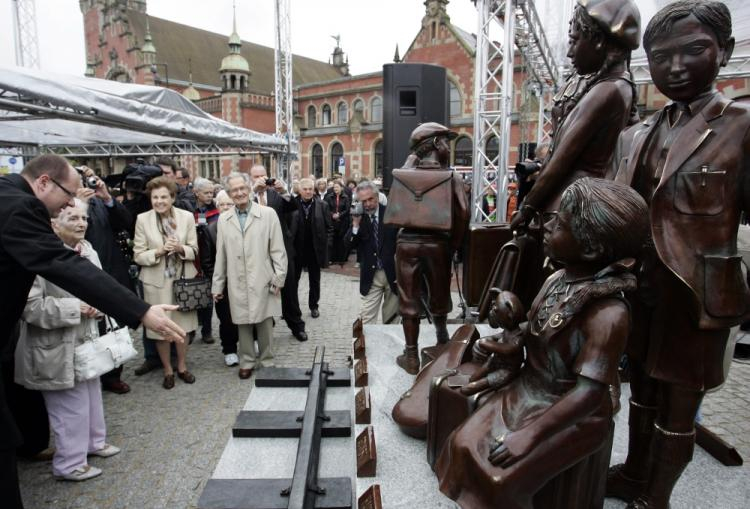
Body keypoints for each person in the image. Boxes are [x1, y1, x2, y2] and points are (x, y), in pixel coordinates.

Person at [607, 3, 750, 508]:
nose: (676, 66)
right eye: (661, 57)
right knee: (641, 390)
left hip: (699, 299)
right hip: (640, 291)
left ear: (725, 52)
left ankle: (657, 496)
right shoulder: (634, 134)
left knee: (679, 408)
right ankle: (633, 472)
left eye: (694, 50)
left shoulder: (742, 127)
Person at [435, 178, 649, 508]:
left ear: (591, 249)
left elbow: (589, 393)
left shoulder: (609, 314)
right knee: (462, 444)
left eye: (560, 223)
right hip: (527, 390)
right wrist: (512, 340)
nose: (547, 226)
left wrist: (529, 436)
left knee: (498, 478)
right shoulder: (557, 279)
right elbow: (536, 329)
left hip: (572, 411)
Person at [0, 154, 184, 508]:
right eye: (68, 195)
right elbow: (61, 264)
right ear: (42, 183)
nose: (71, 202)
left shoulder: (8, 194)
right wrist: (141, 310)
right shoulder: (23, 208)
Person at [510, 0, 641, 230]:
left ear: (598, 40)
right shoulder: (612, 87)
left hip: (570, 214)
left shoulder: (609, 89)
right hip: (570, 209)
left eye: (574, 40)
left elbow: (562, 158)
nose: (570, 52)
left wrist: (527, 207)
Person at [15, 200, 121, 481]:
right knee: (68, 406)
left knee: (91, 393)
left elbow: (100, 285)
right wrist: (77, 308)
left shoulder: (87, 251)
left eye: (84, 217)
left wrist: (101, 304)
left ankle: (93, 443)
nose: (81, 223)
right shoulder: (38, 257)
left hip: (85, 339)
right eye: (72, 217)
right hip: (53, 347)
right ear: (53, 223)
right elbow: (29, 307)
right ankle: (69, 464)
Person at [387, 122, 469, 374]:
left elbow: (395, 206)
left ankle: (411, 356)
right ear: (434, 144)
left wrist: (410, 162)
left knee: (408, 296)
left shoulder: (402, 173)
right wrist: (453, 244)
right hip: (438, 243)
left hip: (406, 243)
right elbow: (463, 213)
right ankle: (442, 340)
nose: (448, 148)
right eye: (445, 142)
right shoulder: (451, 176)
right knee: (440, 290)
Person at [212, 173, 287, 379]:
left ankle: (267, 360)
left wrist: (279, 277)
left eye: (242, 188)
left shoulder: (268, 214)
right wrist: (217, 286)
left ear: (249, 189)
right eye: (234, 190)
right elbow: (221, 255)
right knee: (242, 321)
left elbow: (278, 250)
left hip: (262, 276)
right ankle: (246, 361)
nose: (239, 193)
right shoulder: (224, 220)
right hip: (237, 278)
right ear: (228, 194)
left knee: (264, 321)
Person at [133, 177, 199, 389]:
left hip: (182, 281)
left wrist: (180, 248)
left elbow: (194, 249)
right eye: (155, 197)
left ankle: (181, 366)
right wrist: (160, 251)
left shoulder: (187, 217)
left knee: (183, 327)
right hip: (156, 282)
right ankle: (167, 370)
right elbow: (138, 255)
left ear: (172, 198)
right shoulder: (143, 219)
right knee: (161, 328)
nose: (159, 201)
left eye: (163, 197)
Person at [76, 166, 135, 394]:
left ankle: (113, 374)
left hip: (111, 270)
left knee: (114, 327)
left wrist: (108, 197)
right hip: (83, 275)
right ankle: (92, 373)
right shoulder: (66, 206)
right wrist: (78, 204)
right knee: (91, 327)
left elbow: (125, 221)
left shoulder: (101, 201)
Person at [249, 165, 308, 342]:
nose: (261, 179)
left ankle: (296, 325)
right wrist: (253, 191)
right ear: (251, 178)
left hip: (281, 248)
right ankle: (264, 325)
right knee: (260, 289)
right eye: (256, 176)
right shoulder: (247, 196)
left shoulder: (276, 194)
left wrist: (284, 191)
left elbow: (294, 208)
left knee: (289, 287)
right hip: (256, 251)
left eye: (263, 175)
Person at [345, 180, 399, 324]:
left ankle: (389, 346)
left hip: (393, 274)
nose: (367, 204)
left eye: (370, 199)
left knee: (392, 319)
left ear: (377, 196)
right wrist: (355, 225)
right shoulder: (359, 217)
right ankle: (364, 346)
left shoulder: (391, 213)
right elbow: (347, 246)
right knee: (366, 318)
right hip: (371, 275)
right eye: (364, 201)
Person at [199, 191, 240, 366]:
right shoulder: (210, 230)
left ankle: (251, 341)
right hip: (223, 283)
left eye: (229, 204)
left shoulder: (242, 225)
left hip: (242, 281)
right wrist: (217, 282)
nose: (226, 208)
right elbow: (207, 261)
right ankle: (229, 349)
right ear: (217, 207)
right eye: (222, 204)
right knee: (226, 318)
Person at [292, 178, 332, 319]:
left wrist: (327, 246)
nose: (308, 191)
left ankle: (314, 306)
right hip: (296, 249)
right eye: (305, 189)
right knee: (293, 280)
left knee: (314, 280)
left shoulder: (322, 205)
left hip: (315, 249)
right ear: (300, 190)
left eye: (310, 189)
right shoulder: (292, 204)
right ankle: (292, 308)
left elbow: (329, 227)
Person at [193, 177, 221, 344]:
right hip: (194, 259)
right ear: (196, 193)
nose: (210, 196)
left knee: (209, 295)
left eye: (212, 192)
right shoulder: (188, 210)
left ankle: (207, 330)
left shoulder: (215, 211)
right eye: (206, 193)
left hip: (211, 257)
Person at [325, 180, 351, 265]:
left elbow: (347, 209)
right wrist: (332, 215)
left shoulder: (346, 197)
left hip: (342, 222)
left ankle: (341, 259)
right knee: (333, 240)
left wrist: (339, 215)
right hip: (332, 222)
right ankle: (332, 258)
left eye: (337, 187)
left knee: (341, 241)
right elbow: (327, 208)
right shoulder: (329, 197)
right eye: (334, 187)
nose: (335, 188)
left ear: (341, 188)